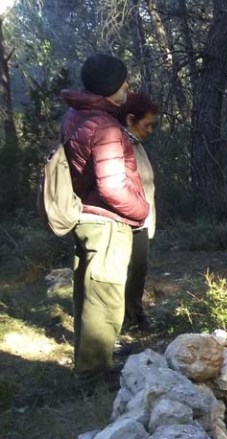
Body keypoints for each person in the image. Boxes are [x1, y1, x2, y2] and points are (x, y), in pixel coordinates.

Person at [60, 54, 149, 383]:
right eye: (123, 81)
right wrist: (141, 210)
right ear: (112, 87)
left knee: (88, 293)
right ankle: (94, 376)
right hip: (107, 221)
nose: (127, 85)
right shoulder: (106, 126)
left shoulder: (76, 114)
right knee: (106, 296)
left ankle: (90, 363)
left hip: (86, 215)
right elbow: (112, 188)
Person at [117, 93, 158, 331]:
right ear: (131, 119)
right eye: (147, 124)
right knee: (129, 270)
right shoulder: (120, 144)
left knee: (138, 269)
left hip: (141, 219)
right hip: (128, 219)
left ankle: (133, 313)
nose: (150, 130)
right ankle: (126, 319)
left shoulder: (137, 144)